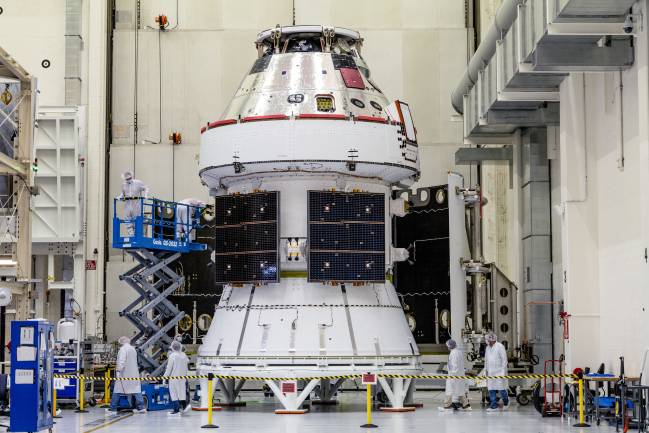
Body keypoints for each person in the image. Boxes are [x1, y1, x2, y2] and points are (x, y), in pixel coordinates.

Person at [107, 336, 146, 414]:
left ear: (121, 342)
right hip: (133, 374)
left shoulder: (123, 349)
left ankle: (113, 408)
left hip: (124, 374)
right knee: (136, 390)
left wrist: (118, 370)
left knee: (117, 390)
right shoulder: (133, 349)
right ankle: (141, 408)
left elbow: (121, 361)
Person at [439, 339, 471, 411]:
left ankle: (447, 406)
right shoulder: (458, 352)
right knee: (460, 390)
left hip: (454, 376)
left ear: (450, 346)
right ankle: (465, 405)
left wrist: (452, 373)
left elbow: (454, 365)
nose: (447, 347)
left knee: (449, 390)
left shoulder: (453, 353)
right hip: (459, 375)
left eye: (447, 346)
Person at [117, 171, 149, 236]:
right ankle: (131, 235)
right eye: (127, 179)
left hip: (137, 204)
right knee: (127, 220)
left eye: (129, 178)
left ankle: (137, 235)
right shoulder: (124, 185)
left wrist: (146, 195)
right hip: (128, 205)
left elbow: (146, 188)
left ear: (132, 177)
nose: (128, 180)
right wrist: (119, 197)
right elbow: (123, 194)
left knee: (137, 220)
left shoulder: (138, 183)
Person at [164, 340, 190, 416]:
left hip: (174, 378)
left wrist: (164, 378)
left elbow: (169, 368)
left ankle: (176, 410)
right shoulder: (184, 355)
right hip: (182, 378)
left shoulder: (173, 355)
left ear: (172, 347)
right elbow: (187, 363)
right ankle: (184, 407)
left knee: (174, 394)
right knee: (182, 393)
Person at [484, 332, 509, 412]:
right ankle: (494, 406)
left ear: (492, 339)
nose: (486, 341)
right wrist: (486, 370)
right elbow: (486, 360)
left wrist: (503, 372)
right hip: (490, 372)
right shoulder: (487, 348)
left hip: (499, 372)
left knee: (501, 389)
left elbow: (504, 360)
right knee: (491, 389)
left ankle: (506, 402)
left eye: (487, 339)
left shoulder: (500, 346)